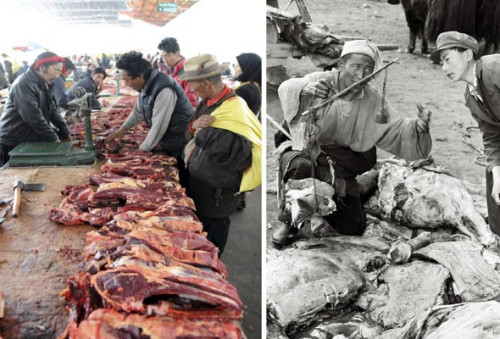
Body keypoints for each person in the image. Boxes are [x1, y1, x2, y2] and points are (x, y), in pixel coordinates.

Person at [272, 40, 432, 245]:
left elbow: (397, 127)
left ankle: (360, 184)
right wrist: (307, 89)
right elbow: (287, 87)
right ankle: (291, 222)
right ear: (340, 65)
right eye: (355, 66)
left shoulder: (373, 99)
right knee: (300, 167)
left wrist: (418, 127)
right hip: (306, 153)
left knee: (352, 226)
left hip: (338, 166)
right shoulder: (321, 80)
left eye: (368, 69)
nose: (361, 74)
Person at [180, 54, 262, 256]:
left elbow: (235, 158)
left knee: (213, 237)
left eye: (192, 84)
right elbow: (188, 132)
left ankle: (212, 270)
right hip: (200, 183)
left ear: (206, 83)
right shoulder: (207, 102)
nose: (190, 89)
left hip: (217, 192)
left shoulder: (234, 109)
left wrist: (202, 135)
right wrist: (195, 126)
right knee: (199, 232)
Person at [431, 31, 500, 236]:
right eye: (441, 63)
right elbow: (491, 136)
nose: (444, 68)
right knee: (493, 174)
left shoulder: (494, 69)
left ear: (468, 55)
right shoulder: (470, 96)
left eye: (447, 59)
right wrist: (497, 173)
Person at [105, 51, 193, 181]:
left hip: (180, 142)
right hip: (168, 140)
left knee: (180, 179)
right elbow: (138, 112)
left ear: (139, 76)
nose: (126, 84)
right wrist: (121, 131)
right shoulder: (146, 85)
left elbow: (159, 126)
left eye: (127, 80)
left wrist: (140, 152)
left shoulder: (164, 89)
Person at [0, 52, 71, 166]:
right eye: (57, 70)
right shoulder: (23, 84)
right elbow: (33, 118)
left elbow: (52, 110)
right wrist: (54, 139)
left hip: (29, 137)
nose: (58, 76)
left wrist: (65, 131)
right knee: (12, 176)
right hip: (13, 140)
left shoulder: (43, 82)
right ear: (43, 67)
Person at [158, 37, 199, 108]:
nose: (164, 60)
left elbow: (191, 104)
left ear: (177, 53)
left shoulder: (188, 73)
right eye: (162, 56)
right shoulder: (169, 71)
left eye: (167, 56)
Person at [234, 52, 262, 117]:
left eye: (238, 66)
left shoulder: (244, 90)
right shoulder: (254, 86)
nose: (235, 68)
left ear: (247, 68)